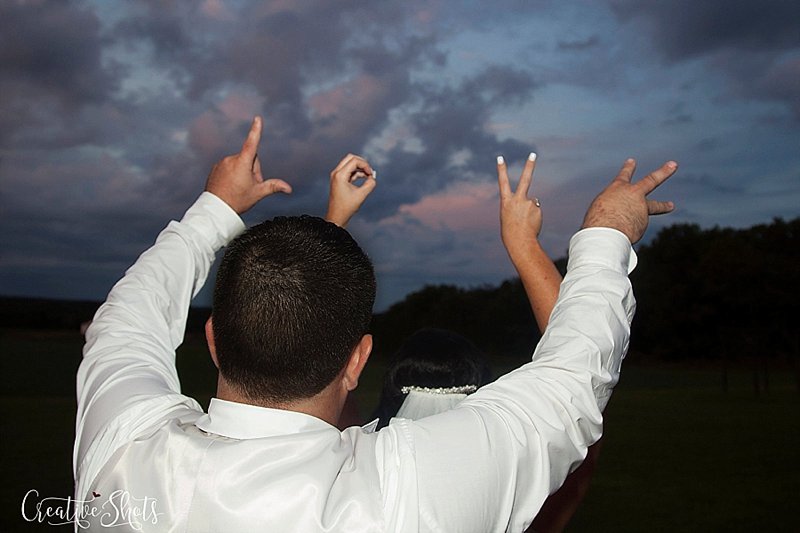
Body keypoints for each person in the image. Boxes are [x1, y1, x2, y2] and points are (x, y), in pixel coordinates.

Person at [74, 115, 677, 532]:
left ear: (212, 340)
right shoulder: (407, 493)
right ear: (358, 360)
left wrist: (217, 209)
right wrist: (604, 229)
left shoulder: (121, 449)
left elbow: (125, 318)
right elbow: (572, 384)